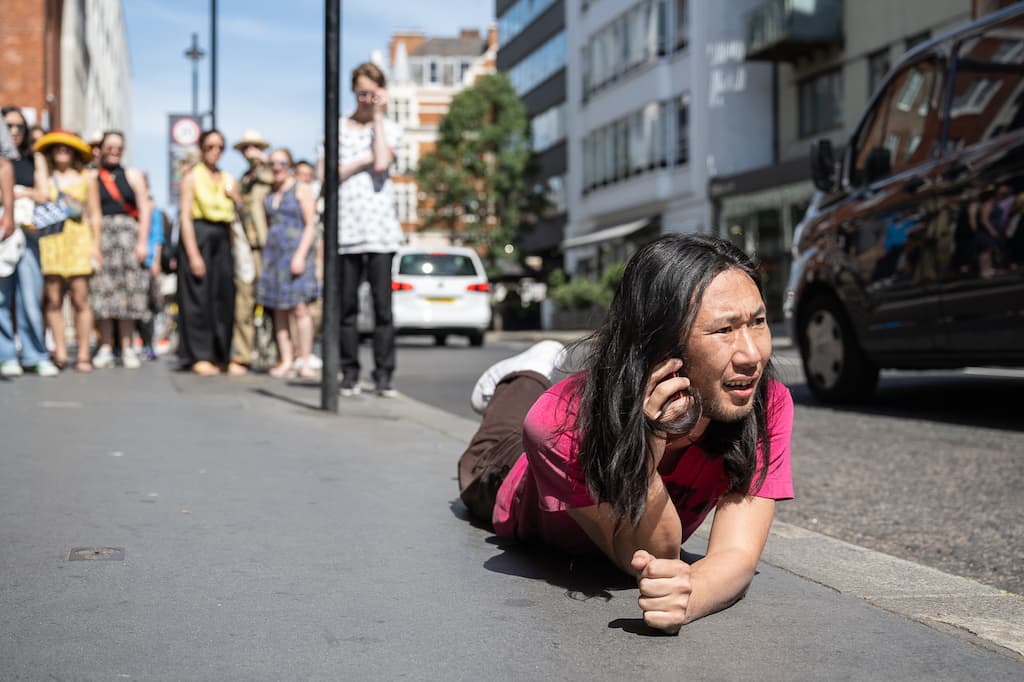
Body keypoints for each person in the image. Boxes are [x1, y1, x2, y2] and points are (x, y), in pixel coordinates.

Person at [457, 234, 794, 634]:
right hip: (509, 475)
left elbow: (733, 554)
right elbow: (641, 552)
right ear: (664, 342)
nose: (752, 354)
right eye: (724, 330)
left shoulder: (765, 402)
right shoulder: (558, 422)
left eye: (757, 322)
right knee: (488, 446)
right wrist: (648, 451)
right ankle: (525, 371)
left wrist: (691, 594)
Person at [337, 62, 405, 397]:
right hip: (346, 232)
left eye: (372, 92)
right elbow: (328, 173)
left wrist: (378, 116)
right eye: (361, 92)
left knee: (382, 309)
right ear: (353, 91)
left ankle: (384, 376)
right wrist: (360, 161)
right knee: (346, 308)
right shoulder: (336, 129)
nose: (366, 99)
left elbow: (381, 162)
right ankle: (349, 373)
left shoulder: (389, 128)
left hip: (380, 232)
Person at [35, 129, 100, 372]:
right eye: (57, 147)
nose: (62, 151)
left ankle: (83, 353)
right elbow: (40, 195)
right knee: (53, 299)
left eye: (67, 147)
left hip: (78, 239)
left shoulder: (87, 178)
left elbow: (94, 213)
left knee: (80, 298)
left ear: (74, 152)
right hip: (52, 239)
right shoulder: (45, 176)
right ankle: (60, 349)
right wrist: (41, 158)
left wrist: (96, 245)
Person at [0, 106, 58, 377]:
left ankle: (35, 353)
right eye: (8, 126)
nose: (13, 131)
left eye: (19, 127)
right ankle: (6, 354)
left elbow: (44, 193)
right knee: (2, 295)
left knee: (31, 296)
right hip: (2, 233)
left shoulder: (34, 159)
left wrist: (18, 195)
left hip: (28, 232)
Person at [88, 131, 152, 369]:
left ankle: (127, 346)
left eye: (118, 147)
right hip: (102, 236)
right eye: (109, 146)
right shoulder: (93, 176)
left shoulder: (132, 175)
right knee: (103, 291)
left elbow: (144, 209)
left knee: (128, 293)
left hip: (128, 235)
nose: (114, 151)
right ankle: (105, 345)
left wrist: (142, 242)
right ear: (101, 148)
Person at [177, 129, 238, 376]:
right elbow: (185, 217)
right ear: (202, 149)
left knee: (223, 297)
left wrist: (236, 198)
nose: (215, 151)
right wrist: (193, 253)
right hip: (200, 236)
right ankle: (199, 355)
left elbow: (238, 215)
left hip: (223, 238)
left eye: (220, 147)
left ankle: (221, 353)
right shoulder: (192, 177)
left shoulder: (227, 178)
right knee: (198, 299)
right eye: (210, 146)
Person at [255, 148, 320, 379]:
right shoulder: (270, 193)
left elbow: (311, 225)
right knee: (279, 309)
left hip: (296, 254)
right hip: (274, 256)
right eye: (272, 163)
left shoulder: (301, 189)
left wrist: (300, 255)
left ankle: (304, 360)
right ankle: (286, 359)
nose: (276, 167)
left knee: (300, 309)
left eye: (281, 163)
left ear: (290, 165)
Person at [227, 129, 272, 376]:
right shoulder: (243, 179)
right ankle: (243, 354)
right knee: (244, 299)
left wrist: (264, 165)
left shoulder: (269, 173)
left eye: (254, 147)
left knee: (272, 302)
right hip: (245, 244)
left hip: (267, 246)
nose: (249, 152)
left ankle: (271, 353)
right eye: (245, 148)